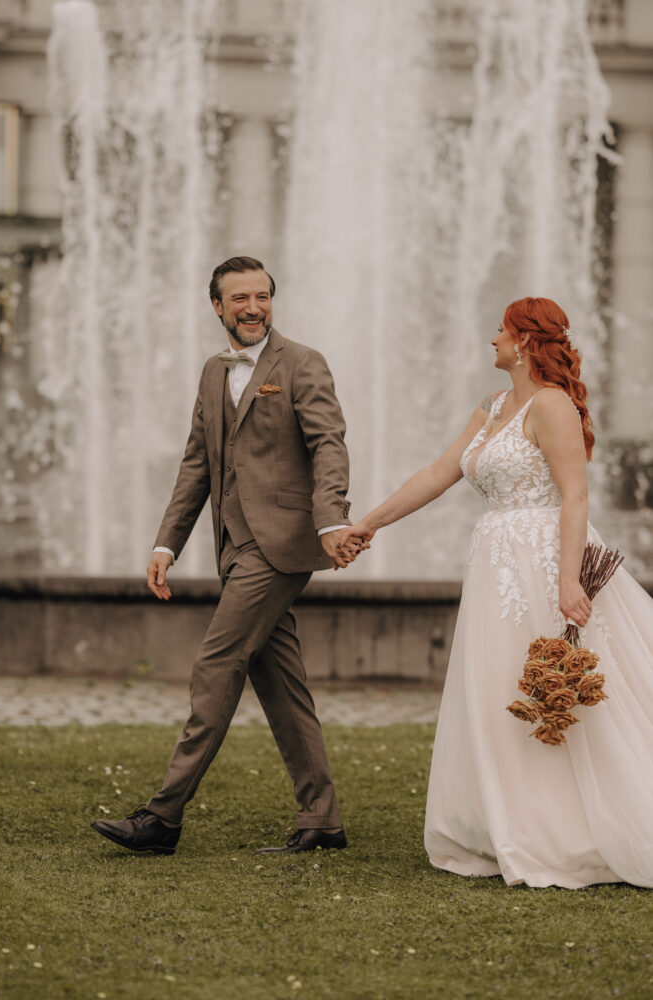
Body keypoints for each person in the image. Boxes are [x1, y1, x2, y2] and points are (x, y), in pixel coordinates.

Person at [340, 297, 653, 889]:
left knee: (564, 690)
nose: (493, 340)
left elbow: (575, 496)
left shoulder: (552, 405)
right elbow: (438, 473)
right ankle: (510, 822)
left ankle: (576, 831)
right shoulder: (491, 408)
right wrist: (370, 524)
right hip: (494, 563)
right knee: (502, 688)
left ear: (527, 342)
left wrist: (567, 579)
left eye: (502, 332)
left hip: (542, 558)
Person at [92, 256, 361, 856]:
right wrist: (167, 542)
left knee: (216, 665)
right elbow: (196, 465)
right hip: (234, 548)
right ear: (217, 306)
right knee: (279, 682)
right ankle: (322, 819)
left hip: (282, 544)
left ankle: (162, 817)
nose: (252, 308)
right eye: (239, 298)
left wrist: (331, 519)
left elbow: (328, 446)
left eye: (261, 296)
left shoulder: (302, 363)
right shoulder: (214, 373)